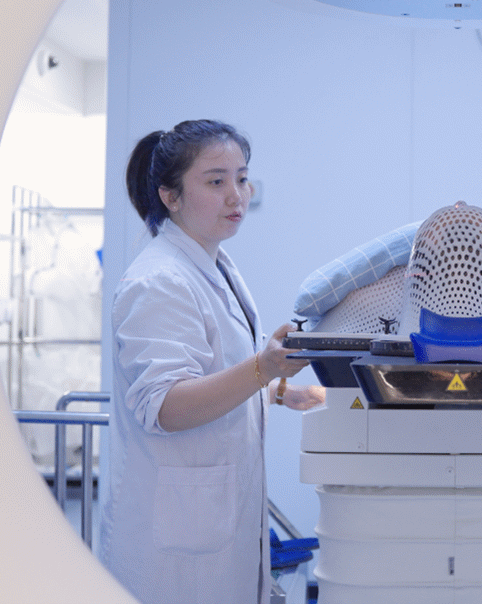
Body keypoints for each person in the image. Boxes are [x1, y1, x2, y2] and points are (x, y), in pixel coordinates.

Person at [98, 119, 323, 604]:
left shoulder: (215, 266)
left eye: (241, 178)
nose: (236, 196)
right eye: (216, 181)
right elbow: (167, 406)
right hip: (170, 553)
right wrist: (263, 368)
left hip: (211, 530)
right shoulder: (158, 281)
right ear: (171, 196)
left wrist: (278, 390)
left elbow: (211, 373)